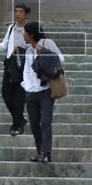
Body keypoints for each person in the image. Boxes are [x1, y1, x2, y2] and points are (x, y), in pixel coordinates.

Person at [21, 21, 64, 163]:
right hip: (31, 91)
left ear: (31, 34)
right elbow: (26, 70)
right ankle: (40, 151)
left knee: (45, 121)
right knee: (34, 123)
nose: (23, 35)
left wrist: (44, 52)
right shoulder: (28, 50)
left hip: (46, 90)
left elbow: (61, 60)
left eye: (25, 32)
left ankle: (46, 152)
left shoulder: (48, 43)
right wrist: (27, 87)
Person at [0, 3, 30, 136]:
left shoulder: (29, 29)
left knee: (19, 97)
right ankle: (20, 119)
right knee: (6, 95)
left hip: (23, 68)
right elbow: (5, 45)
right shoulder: (11, 28)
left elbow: (35, 47)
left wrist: (21, 50)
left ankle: (17, 125)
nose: (17, 14)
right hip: (10, 65)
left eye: (20, 12)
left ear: (26, 14)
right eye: (16, 11)